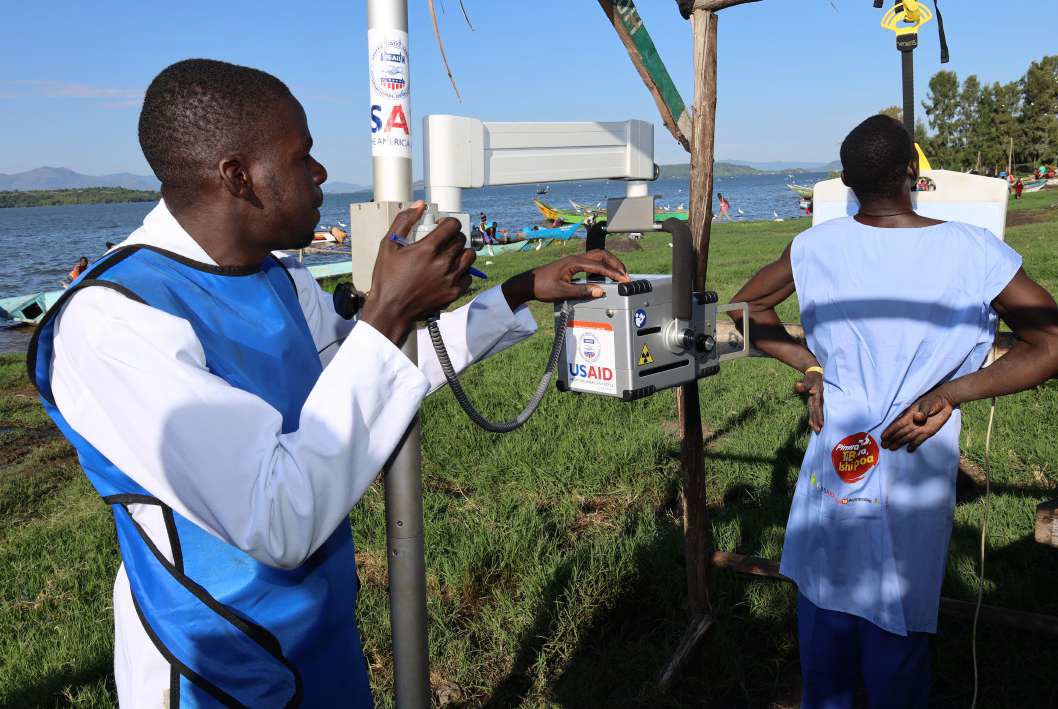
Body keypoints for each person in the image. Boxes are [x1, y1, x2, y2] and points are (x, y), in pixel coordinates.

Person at [28, 59, 629, 708]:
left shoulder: (278, 275)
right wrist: (388, 310)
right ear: (238, 175)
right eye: (302, 156)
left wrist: (513, 294)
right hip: (213, 667)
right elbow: (277, 520)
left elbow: (366, 384)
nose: (319, 174)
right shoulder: (114, 321)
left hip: (319, 639)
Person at [729, 115, 1058, 708]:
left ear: (846, 181)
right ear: (914, 174)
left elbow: (744, 308)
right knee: (896, 609)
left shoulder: (816, 245)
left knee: (827, 604)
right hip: (913, 451)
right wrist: (950, 393)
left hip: (836, 457)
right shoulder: (970, 250)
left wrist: (810, 366)